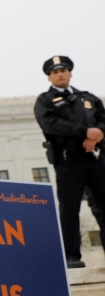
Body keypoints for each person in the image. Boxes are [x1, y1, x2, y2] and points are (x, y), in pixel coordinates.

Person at [34, 55, 105, 269]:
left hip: (95, 158)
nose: (60, 74)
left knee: (103, 207)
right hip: (68, 160)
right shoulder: (45, 101)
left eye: (63, 70)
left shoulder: (89, 98)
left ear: (70, 73)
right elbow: (51, 125)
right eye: (55, 72)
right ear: (49, 77)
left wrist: (96, 135)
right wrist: (85, 132)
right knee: (69, 209)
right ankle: (72, 256)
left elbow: (102, 119)